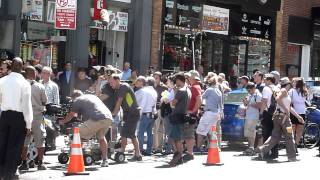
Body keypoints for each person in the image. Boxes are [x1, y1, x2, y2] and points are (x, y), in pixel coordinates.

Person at [60, 90, 113, 167]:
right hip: (108, 118)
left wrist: (62, 121)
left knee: (77, 135)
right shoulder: (92, 97)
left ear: (74, 97)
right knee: (101, 138)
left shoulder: (77, 100)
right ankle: (105, 160)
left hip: (96, 118)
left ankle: (75, 160)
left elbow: (71, 115)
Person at [0, 57, 33, 180]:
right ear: (22, 67)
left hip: (4, 115)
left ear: (11, 66)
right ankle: (10, 173)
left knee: (2, 143)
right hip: (18, 117)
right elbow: (26, 105)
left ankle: (1, 171)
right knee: (14, 146)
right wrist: (28, 123)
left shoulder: (2, 81)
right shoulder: (25, 83)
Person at [256, 77, 304, 162]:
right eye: (291, 83)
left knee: (275, 136)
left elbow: (289, 107)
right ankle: (292, 157)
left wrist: (298, 117)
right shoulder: (284, 91)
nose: (293, 84)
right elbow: (278, 99)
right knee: (289, 137)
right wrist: (286, 110)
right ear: (288, 84)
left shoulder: (282, 91)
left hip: (278, 117)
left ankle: (262, 149)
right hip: (284, 118)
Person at [19, 66, 48, 171]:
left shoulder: (21, 86)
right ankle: (40, 163)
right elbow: (45, 101)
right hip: (37, 116)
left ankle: (24, 163)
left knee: (25, 141)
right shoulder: (40, 86)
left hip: (24, 116)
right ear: (34, 74)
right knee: (40, 140)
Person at [109, 74, 142, 161]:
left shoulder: (123, 87)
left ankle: (124, 153)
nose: (110, 84)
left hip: (133, 113)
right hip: (128, 114)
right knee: (129, 134)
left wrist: (114, 114)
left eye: (112, 82)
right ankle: (136, 154)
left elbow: (119, 101)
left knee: (125, 134)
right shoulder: (117, 90)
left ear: (117, 81)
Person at [168, 73, 191, 166]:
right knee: (176, 137)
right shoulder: (188, 90)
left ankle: (178, 155)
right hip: (183, 115)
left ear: (178, 80)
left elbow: (173, 103)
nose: (175, 82)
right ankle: (179, 156)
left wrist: (174, 93)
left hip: (178, 116)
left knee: (176, 138)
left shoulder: (181, 91)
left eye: (175, 80)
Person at [196, 76, 222, 151]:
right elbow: (220, 104)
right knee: (211, 131)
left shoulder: (209, 90)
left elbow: (201, 98)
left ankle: (198, 147)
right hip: (216, 113)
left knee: (200, 131)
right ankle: (213, 147)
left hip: (209, 112)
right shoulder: (218, 91)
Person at [136, 76, 158, 156]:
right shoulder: (154, 92)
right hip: (152, 114)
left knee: (140, 133)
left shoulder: (142, 91)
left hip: (144, 114)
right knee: (149, 133)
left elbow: (141, 104)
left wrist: (139, 114)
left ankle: (140, 150)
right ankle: (148, 150)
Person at [183, 70, 202, 161]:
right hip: (191, 113)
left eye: (189, 77)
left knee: (189, 134)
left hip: (191, 114)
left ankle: (190, 153)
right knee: (188, 133)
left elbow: (199, 100)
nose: (188, 78)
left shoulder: (194, 87)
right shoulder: (195, 87)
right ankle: (189, 152)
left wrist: (193, 111)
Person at [260, 74, 280, 159]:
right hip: (275, 113)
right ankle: (275, 153)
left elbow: (264, 101)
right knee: (274, 133)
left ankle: (266, 152)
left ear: (269, 80)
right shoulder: (277, 88)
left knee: (266, 133)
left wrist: (261, 113)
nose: (263, 80)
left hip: (268, 113)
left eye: (265, 79)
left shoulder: (266, 88)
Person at [242, 82, 262, 155]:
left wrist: (249, 103)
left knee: (252, 132)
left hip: (254, 116)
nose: (248, 92)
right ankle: (250, 147)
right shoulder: (250, 95)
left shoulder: (258, 95)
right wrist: (245, 102)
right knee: (248, 132)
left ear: (254, 88)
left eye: (249, 90)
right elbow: (247, 104)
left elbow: (260, 105)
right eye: (247, 90)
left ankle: (252, 147)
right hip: (248, 116)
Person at [289, 77, 308, 150]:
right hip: (297, 112)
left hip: (298, 112)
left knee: (297, 130)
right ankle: (293, 145)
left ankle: (295, 145)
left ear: (297, 83)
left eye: (294, 82)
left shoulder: (303, 91)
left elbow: (306, 101)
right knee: (295, 130)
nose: (293, 83)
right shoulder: (293, 91)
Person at [153, 71, 168, 153]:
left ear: (160, 79)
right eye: (154, 78)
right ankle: (155, 147)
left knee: (161, 129)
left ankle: (159, 147)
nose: (155, 80)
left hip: (162, 109)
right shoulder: (152, 87)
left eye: (156, 78)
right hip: (155, 109)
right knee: (156, 128)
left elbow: (166, 98)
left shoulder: (164, 87)